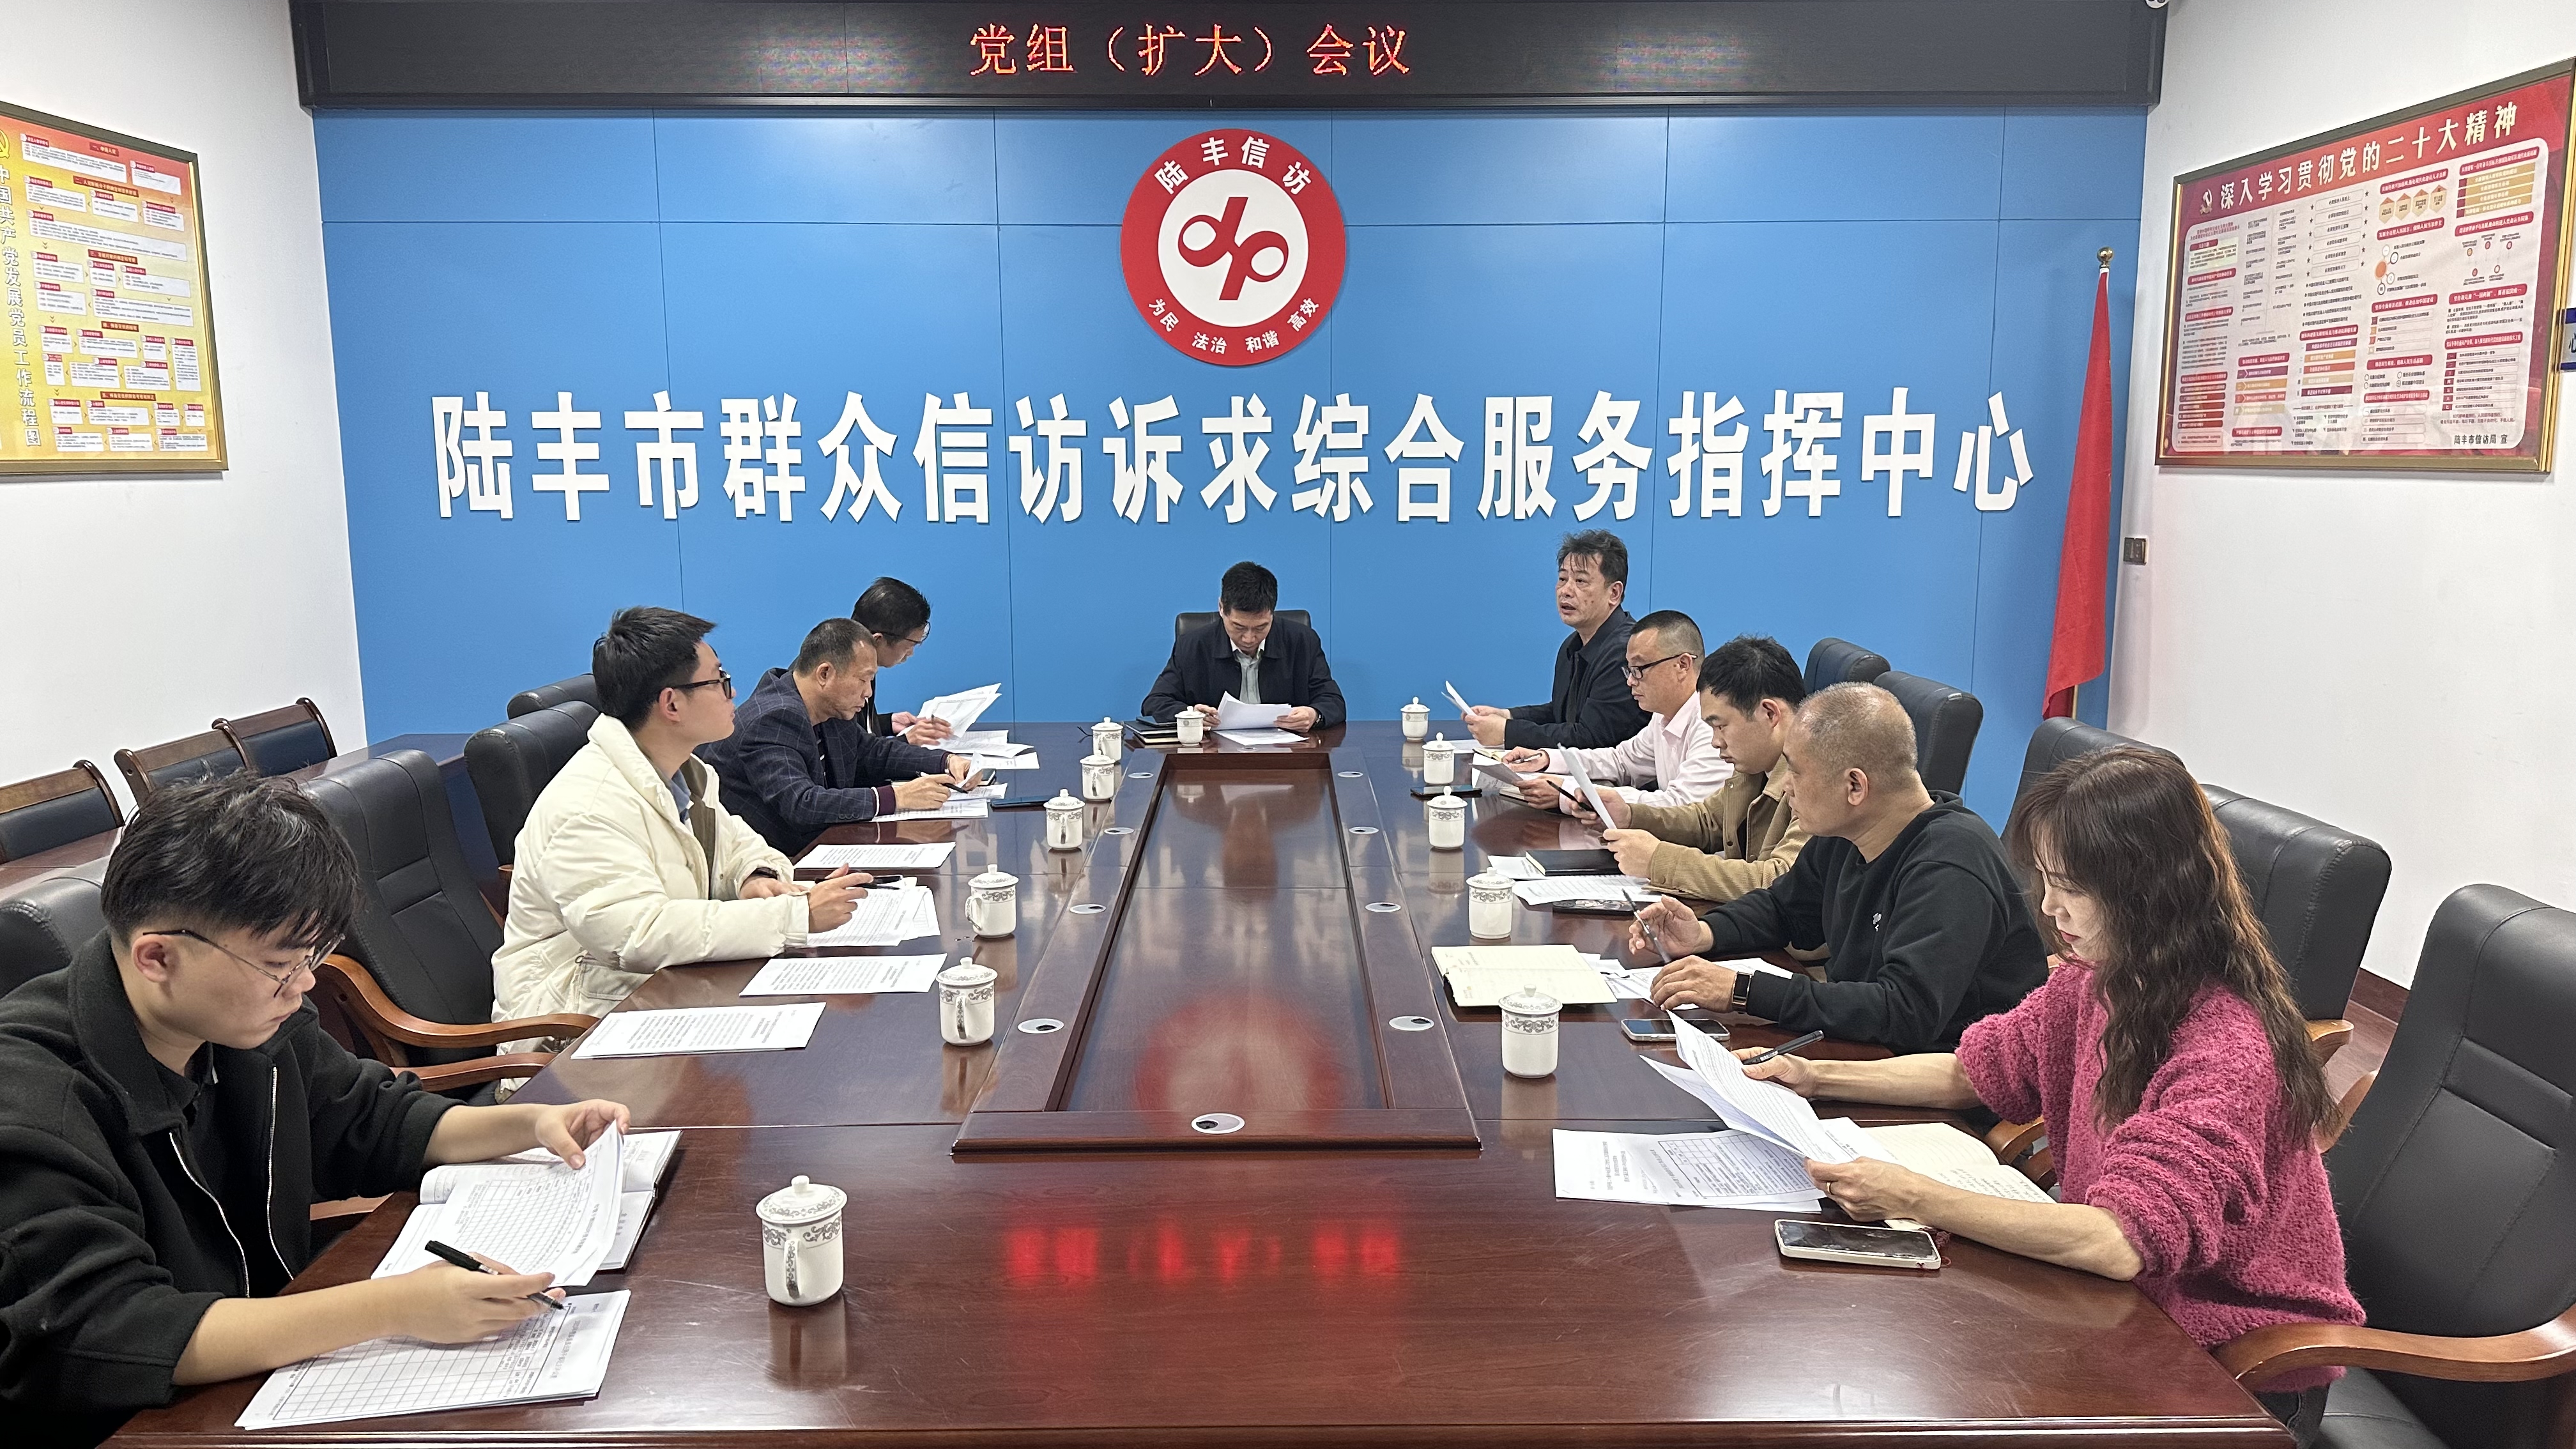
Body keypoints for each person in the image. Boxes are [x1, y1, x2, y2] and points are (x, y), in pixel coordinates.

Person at [1742, 746, 2362, 1445]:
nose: (2048, 907)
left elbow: (2122, 1241)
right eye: (2046, 880)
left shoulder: (2225, 1048)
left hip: (2234, 1366)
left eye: (2070, 887)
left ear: (2147, 891)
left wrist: (1915, 1197)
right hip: (2128, 1306)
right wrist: (1815, 1077)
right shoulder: (2097, 979)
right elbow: (1971, 1072)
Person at [0, 777, 635, 1449]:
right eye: (282, 964)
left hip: (252, 1385)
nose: (303, 985)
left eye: (313, 958)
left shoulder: (242, 1022)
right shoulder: (32, 1099)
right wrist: (394, 1306)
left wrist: (528, 1124)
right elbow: (109, 1331)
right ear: (157, 956)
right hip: (135, 1426)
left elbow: (367, 1119)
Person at [493, 607, 868, 1026]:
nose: (734, 693)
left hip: (658, 990)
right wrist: (795, 916)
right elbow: (639, 934)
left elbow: (739, 844)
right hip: (572, 1026)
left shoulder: (684, 772)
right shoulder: (589, 806)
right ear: (672, 703)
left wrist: (754, 878)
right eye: (720, 681)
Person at [1629, 682, 2046, 1052]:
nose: (1786, 786)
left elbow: (1904, 1011)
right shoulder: (1849, 832)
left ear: (1855, 786)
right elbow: (1783, 909)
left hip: (1941, 1080)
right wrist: (1704, 934)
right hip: (1868, 1050)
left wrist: (1745, 991)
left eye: (1795, 771)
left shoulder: (1950, 865)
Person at [700, 618, 978, 855]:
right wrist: (897, 797)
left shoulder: (829, 708)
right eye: (863, 680)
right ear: (825, 674)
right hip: (777, 865)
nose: (868, 692)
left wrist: (945, 761)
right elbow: (802, 803)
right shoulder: (774, 718)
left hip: (821, 849)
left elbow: (873, 753)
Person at [1590, 634, 1811, 901]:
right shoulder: (1754, 766)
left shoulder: (1817, 778)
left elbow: (1777, 881)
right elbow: (1708, 821)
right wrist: (1631, 816)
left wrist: (1660, 861)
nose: (1716, 742)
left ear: (1770, 713)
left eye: (1721, 726)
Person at [1496, 608, 1728, 813]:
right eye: (1630, 670)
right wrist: (1548, 759)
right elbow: (1621, 761)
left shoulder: (1712, 724)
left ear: (1682, 665)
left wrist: (1569, 792)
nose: (1630, 681)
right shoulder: (1663, 716)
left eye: (1639, 669)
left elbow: (1681, 806)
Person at [1459, 529, 1650, 750]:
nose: (1566, 590)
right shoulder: (1572, 645)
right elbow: (1562, 714)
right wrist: (1508, 716)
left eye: (1581, 581)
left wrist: (1506, 732)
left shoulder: (1626, 652)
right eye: (1562, 579)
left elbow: (1590, 737)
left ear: (1614, 593)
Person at [1140, 560, 1346, 733]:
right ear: (1221, 608)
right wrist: (1191, 715)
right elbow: (1155, 703)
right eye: (1239, 627)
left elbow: (1333, 701)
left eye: (1261, 627)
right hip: (1214, 755)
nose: (1249, 638)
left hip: (1287, 752)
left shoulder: (1302, 641)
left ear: (1272, 613)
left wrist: (1314, 715)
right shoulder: (1193, 646)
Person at [850, 576, 950, 746]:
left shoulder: (863, 665)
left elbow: (852, 730)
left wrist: (887, 723)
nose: (911, 653)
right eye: (910, 645)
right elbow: (851, 754)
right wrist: (906, 740)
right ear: (877, 640)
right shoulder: (841, 681)